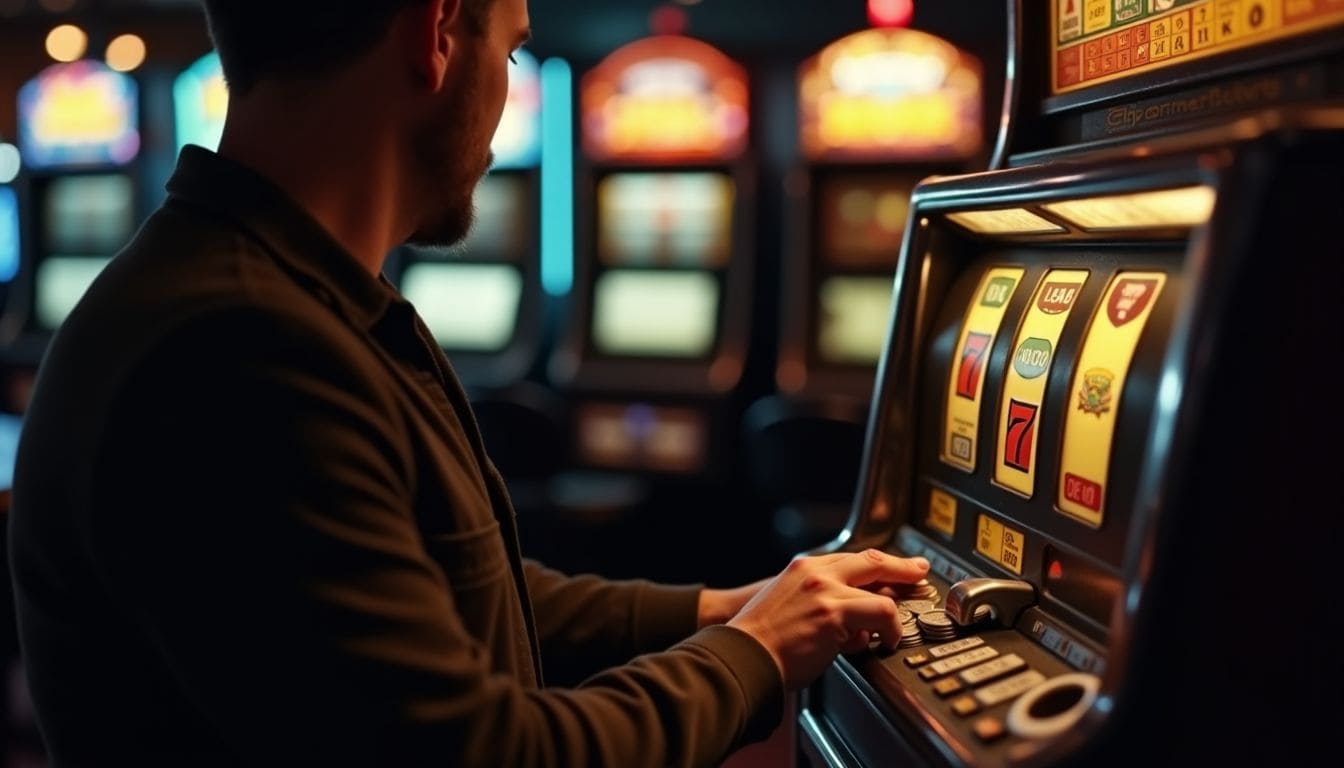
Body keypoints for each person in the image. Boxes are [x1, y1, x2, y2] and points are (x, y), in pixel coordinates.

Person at [7, 0, 931, 765]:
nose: (510, 98)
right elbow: (481, 756)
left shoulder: (285, 299)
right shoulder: (233, 350)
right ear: (438, 33)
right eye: (516, 50)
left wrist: (728, 608)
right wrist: (755, 653)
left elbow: (451, 592)